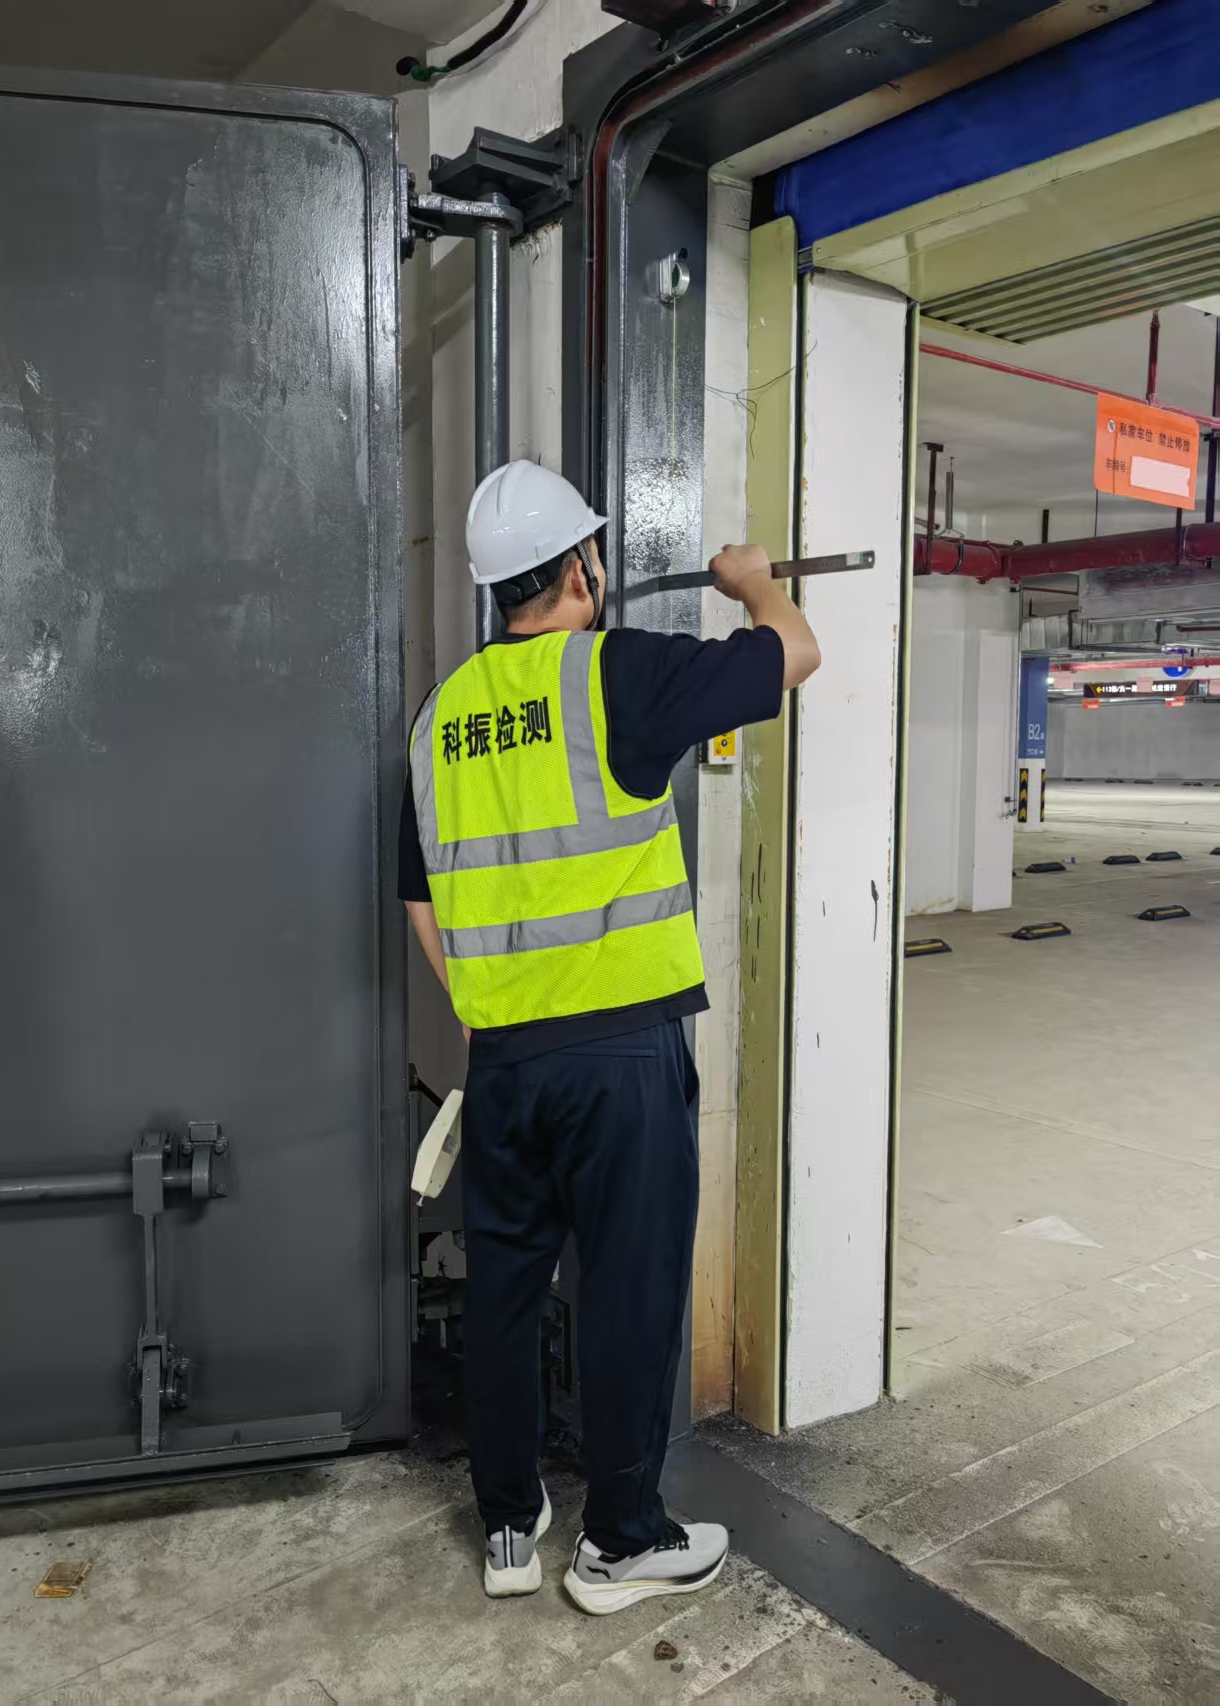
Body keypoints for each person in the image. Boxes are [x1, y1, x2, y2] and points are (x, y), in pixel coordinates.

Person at [398, 460, 820, 1615]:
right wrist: (754, 583)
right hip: (621, 1057)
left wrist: (484, 1000)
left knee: (502, 1288)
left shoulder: (439, 719)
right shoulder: (614, 674)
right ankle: (623, 1541)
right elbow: (793, 653)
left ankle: (507, 1521)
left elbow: (422, 899)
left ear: (496, 588)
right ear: (581, 569)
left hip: (503, 1059)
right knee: (628, 1292)